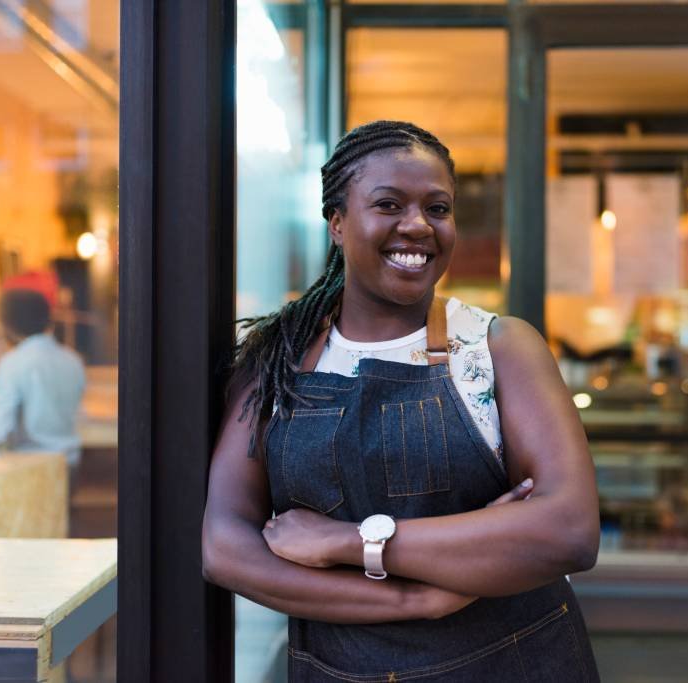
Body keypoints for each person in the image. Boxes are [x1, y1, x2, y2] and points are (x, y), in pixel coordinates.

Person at [202, 121, 601, 681]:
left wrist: (348, 543)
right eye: (388, 204)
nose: (417, 225)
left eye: (438, 209)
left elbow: (569, 531)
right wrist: (416, 601)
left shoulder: (498, 348)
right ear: (337, 223)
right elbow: (226, 548)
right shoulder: (277, 361)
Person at [0, 288, 86, 468]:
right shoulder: (73, 360)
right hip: (70, 463)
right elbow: (79, 414)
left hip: (31, 468)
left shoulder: (13, 363)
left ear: (7, 325)